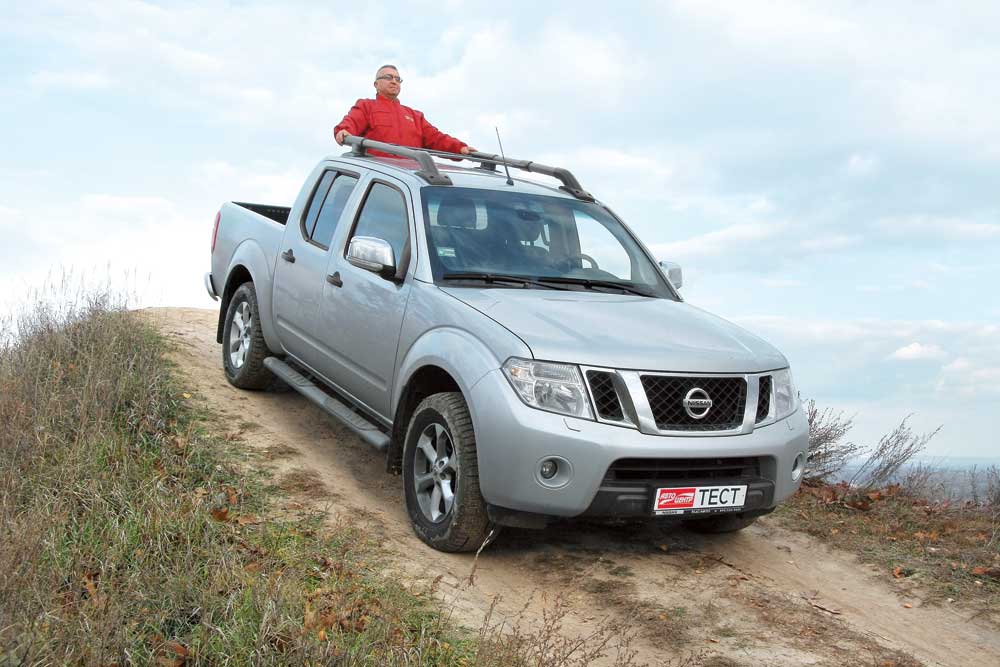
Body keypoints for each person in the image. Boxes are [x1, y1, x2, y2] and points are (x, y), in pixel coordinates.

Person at [334, 65, 475, 155]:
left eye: (398, 79)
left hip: (409, 178)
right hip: (379, 178)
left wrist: (459, 148)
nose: (394, 81)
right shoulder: (366, 106)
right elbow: (351, 122)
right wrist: (344, 130)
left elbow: (436, 138)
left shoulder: (415, 115)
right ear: (376, 84)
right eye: (388, 77)